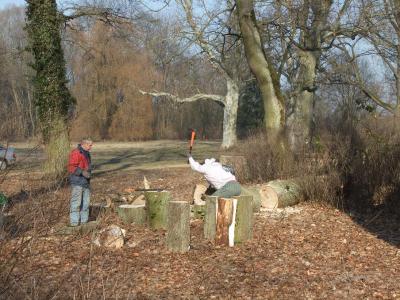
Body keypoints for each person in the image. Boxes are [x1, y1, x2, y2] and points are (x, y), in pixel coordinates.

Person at [67, 138, 93, 226]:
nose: (91, 147)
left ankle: (84, 223)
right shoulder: (76, 152)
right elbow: (71, 167)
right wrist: (82, 172)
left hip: (85, 183)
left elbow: (86, 166)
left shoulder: (87, 153)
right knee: (76, 204)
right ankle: (74, 224)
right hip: (77, 182)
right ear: (84, 144)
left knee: (85, 204)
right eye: (90, 145)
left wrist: (88, 172)